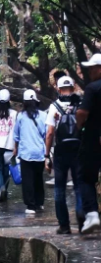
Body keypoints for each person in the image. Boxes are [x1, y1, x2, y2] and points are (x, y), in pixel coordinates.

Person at [45, 76, 83, 234]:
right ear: (73, 88)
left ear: (58, 89)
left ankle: (64, 226)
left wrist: (47, 155)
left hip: (61, 151)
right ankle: (83, 224)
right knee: (80, 187)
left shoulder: (54, 107)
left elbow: (49, 133)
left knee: (59, 189)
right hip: (79, 150)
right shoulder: (81, 105)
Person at [76, 53, 101, 235]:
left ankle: (92, 214)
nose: (90, 71)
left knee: (86, 178)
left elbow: (82, 113)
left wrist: (79, 125)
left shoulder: (93, 88)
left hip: (93, 140)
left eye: (93, 68)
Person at [13, 89, 47, 215]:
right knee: (38, 178)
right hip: (39, 153)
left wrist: (15, 148)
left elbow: (16, 135)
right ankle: (40, 203)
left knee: (28, 180)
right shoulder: (43, 115)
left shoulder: (20, 116)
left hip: (26, 153)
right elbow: (46, 134)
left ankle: (31, 206)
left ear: (25, 103)